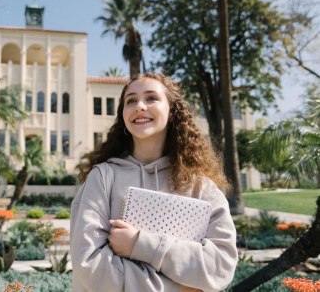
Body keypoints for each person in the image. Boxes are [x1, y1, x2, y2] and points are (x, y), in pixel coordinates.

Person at [70, 72, 238, 291]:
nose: (140, 105)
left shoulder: (201, 187)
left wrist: (139, 244)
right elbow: (90, 266)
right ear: (123, 115)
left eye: (151, 98)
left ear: (171, 113)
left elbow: (220, 267)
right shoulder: (102, 178)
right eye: (131, 100)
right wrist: (179, 288)